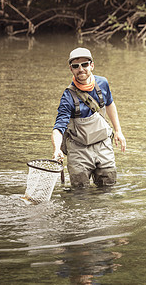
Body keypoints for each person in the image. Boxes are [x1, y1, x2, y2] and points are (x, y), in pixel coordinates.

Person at [52, 47, 126, 188]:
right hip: (78, 148)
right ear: (71, 69)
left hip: (102, 144)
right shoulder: (67, 97)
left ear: (92, 65)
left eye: (85, 64)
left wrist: (118, 131)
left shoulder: (103, 83)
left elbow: (110, 104)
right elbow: (58, 128)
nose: (81, 69)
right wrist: (57, 149)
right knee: (79, 194)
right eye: (76, 66)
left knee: (108, 187)